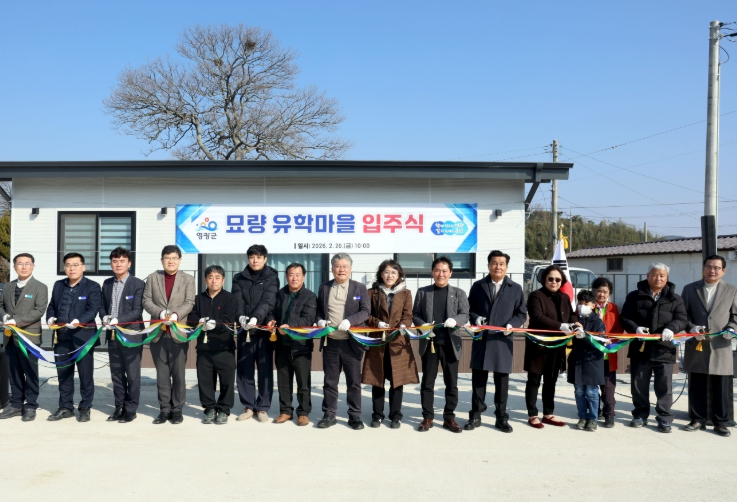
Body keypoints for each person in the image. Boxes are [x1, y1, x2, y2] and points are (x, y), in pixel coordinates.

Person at [620, 263, 688, 433]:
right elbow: (625, 317)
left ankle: (664, 418)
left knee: (664, 386)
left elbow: (682, 319)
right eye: (655, 275)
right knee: (639, 385)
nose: (658, 278)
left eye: (662, 275)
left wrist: (671, 328)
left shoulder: (675, 298)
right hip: (640, 348)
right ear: (648, 275)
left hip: (664, 349)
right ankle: (640, 415)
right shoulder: (634, 296)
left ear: (667, 278)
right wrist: (635, 328)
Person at [465, 250, 527, 433]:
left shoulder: (515, 288)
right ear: (488, 265)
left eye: (501, 264)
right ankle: (475, 415)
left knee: (502, 382)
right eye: (494, 263)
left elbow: (521, 313)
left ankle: (501, 417)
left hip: (502, 340)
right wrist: (476, 318)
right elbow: (469, 309)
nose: (497, 267)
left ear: (507, 267)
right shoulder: (478, 286)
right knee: (478, 380)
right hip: (482, 339)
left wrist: (512, 324)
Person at [681, 255, 737, 437]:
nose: (712, 271)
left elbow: (735, 316)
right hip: (698, 344)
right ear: (703, 268)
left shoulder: (732, 290)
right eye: (709, 267)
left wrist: (731, 328)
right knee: (697, 384)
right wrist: (692, 328)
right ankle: (697, 419)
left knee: (721, 386)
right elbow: (683, 315)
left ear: (723, 271)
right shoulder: (690, 289)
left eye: (716, 268)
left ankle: (721, 422)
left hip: (721, 345)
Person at [413, 256, 470, 433]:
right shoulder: (423, 292)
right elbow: (415, 314)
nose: (441, 274)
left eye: (444, 271)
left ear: (450, 273)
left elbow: (465, 314)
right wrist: (422, 324)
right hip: (430, 343)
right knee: (427, 383)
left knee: (451, 383)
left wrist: (455, 320)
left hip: (451, 344)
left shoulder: (459, 293)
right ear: (432, 272)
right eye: (437, 270)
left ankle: (449, 417)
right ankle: (428, 417)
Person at [316, 253, 371, 430]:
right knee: (330, 381)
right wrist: (320, 321)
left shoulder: (359, 288)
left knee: (353, 382)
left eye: (345, 266)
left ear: (350, 269)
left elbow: (366, 311)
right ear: (332, 269)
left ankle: (354, 416)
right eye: (337, 266)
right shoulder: (324, 287)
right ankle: (329, 414)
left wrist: (350, 321)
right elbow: (319, 310)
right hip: (331, 342)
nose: (341, 269)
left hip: (351, 343)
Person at [361, 260, 418, 429]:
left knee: (397, 382)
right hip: (377, 341)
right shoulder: (372, 292)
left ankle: (396, 416)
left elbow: (408, 315)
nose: (390, 275)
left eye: (394, 272)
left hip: (398, 342)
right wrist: (377, 322)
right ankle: (377, 415)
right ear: (381, 274)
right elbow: (366, 314)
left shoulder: (406, 293)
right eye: (386, 272)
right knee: (377, 381)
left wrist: (403, 325)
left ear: (399, 275)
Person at [45, 252, 102, 422]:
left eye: (76, 265)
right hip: (62, 337)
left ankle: (85, 407)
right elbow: (52, 305)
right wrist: (50, 317)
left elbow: (93, 308)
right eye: (68, 265)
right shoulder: (59, 285)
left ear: (83, 267)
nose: (72, 268)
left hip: (83, 338)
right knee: (63, 374)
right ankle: (65, 407)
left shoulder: (92, 286)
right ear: (64, 268)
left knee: (85, 375)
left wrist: (80, 321)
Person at [143, 245, 196, 425]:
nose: (170, 261)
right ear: (162, 260)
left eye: (174, 258)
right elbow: (146, 300)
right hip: (158, 333)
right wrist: (159, 313)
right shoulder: (153, 278)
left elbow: (189, 302)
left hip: (178, 332)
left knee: (178, 374)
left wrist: (175, 315)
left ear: (180, 260)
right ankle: (164, 409)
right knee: (162, 375)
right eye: (167, 258)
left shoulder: (188, 279)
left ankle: (177, 409)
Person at [525, 264, 579, 429]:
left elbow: (571, 314)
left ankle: (548, 413)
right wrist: (560, 326)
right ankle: (533, 414)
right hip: (539, 345)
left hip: (557, 345)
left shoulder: (564, 297)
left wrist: (576, 323)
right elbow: (537, 316)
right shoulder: (536, 295)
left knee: (551, 380)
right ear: (544, 279)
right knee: (534, 380)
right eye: (551, 279)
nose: (554, 282)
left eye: (558, 279)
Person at [232, 244, 279, 423]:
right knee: (244, 369)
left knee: (265, 370)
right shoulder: (238, 278)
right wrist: (241, 316)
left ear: (265, 259)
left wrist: (256, 318)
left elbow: (268, 301)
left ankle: (263, 407)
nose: (255, 260)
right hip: (245, 330)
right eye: (252, 257)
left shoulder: (272, 277)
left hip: (264, 329)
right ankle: (248, 406)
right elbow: (238, 300)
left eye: (259, 257)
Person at [266, 263, 317, 426]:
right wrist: (271, 320)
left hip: (301, 346)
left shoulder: (310, 296)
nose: (294, 278)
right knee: (283, 381)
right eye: (291, 274)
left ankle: (303, 412)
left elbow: (308, 319)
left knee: (303, 383)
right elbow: (272, 312)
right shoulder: (280, 294)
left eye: (297, 274)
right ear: (286, 276)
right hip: (281, 345)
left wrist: (289, 326)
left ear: (303, 277)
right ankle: (285, 411)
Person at [99, 247, 146, 424]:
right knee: (116, 373)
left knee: (132, 374)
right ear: (111, 264)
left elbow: (137, 311)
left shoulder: (137, 284)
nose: (118, 264)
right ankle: (119, 406)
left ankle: (131, 408)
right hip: (112, 335)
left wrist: (117, 320)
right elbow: (102, 306)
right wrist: (104, 317)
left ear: (129, 263)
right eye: (115, 261)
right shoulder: (107, 283)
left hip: (131, 335)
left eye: (122, 261)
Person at [0, 253, 49, 421]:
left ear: (33, 266)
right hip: (9, 337)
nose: (24, 267)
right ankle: (15, 404)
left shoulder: (40, 287)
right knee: (14, 372)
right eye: (20, 263)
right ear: (14, 267)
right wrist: (5, 317)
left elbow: (39, 310)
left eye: (27, 263)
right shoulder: (8, 286)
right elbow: (0, 305)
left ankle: (30, 405)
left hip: (30, 338)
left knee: (30, 371)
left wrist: (16, 321)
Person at [189, 265, 238, 425]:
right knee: (205, 381)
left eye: (217, 278)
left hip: (224, 347)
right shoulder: (198, 299)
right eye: (210, 277)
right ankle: (209, 408)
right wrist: (199, 321)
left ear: (223, 280)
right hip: (204, 348)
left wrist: (215, 324)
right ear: (205, 280)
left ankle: (224, 409)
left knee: (227, 381)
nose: (214, 281)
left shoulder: (230, 298)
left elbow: (229, 318)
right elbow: (191, 317)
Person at [568, 290, 606, 432]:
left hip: (592, 362)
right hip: (577, 360)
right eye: (580, 303)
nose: (582, 306)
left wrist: (584, 336)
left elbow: (600, 342)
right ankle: (582, 416)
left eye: (586, 303)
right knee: (579, 391)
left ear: (593, 305)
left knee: (591, 391)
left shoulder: (597, 322)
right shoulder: (575, 320)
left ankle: (593, 418)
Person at [592, 277, 623, 428]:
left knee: (608, 387)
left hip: (608, 354)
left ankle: (609, 414)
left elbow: (618, 328)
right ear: (593, 291)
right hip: (591, 354)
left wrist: (612, 340)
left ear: (609, 293)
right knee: (592, 386)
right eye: (599, 291)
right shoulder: (587, 307)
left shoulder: (613, 308)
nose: (602, 294)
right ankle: (594, 411)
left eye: (605, 292)